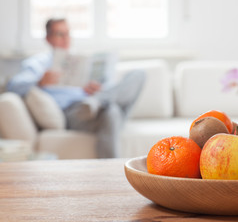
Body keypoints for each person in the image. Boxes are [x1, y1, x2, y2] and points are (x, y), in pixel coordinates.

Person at [7, 18, 145, 158]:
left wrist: (96, 90)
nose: (66, 39)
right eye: (60, 34)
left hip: (92, 104)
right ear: (48, 38)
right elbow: (13, 86)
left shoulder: (82, 61)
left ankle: (99, 99)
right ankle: (100, 102)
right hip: (73, 112)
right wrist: (39, 80)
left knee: (139, 74)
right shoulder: (38, 64)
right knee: (112, 112)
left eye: (68, 34)